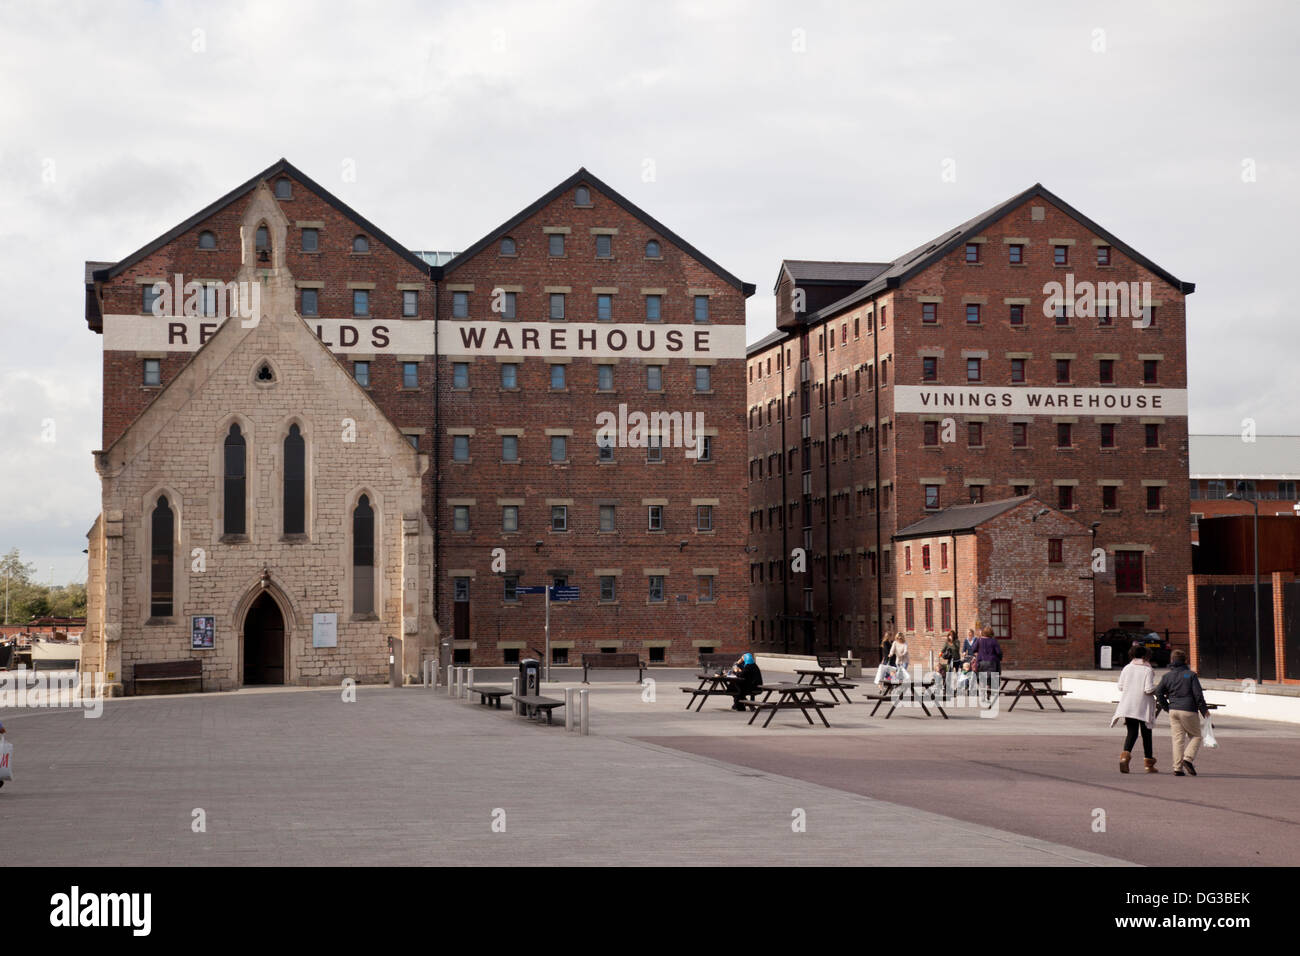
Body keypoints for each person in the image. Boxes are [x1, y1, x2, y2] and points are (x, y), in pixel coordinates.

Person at [1156, 649, 1210, 776]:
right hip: (1188, 709)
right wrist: (1204, 710)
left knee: (1177, 739)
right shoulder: (1190, 675)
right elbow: (1198, 694)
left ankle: (1177, 768)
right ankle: (1188, 758)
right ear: (1185, 660)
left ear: (1171, 660)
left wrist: (1167, 707)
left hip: (1173, 710)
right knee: (1196, 736)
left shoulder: (1166, 676)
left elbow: (1158, 692)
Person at [1110, 645, 1158, 773]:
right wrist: (1157, 688)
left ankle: (1124, 758)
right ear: (1144, 656)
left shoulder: (1127, 668)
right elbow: (1148, 689)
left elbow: (1120, 686)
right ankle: (1149, 764)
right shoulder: (1147, 670)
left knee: (1132, 733)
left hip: (1128, 705)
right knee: (1146, 734)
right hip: (1143, 706)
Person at [971, 625, 1003, 701]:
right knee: (991, 679)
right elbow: (998, 652)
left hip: (981, 662)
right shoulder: (993, 641)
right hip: (992, 662)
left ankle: (982, 696)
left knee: (982, 679)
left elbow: (973, 649)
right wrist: (1000, 658)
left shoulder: (979, 640)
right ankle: (989, 691)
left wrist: (977, 653)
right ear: (991, 633)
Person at [938, 631, 961, 697]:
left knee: (956, 675)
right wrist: (940, 654)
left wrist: (952, 642)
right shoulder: (946, 642)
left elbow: (956, 648)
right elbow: (943, 650)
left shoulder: (957, 642)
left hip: (957, 660)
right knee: (948, 675)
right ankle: (947, 689)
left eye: (951, 636)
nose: (950, 637)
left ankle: (956, 689)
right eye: (949, 635)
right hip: (950, 660)